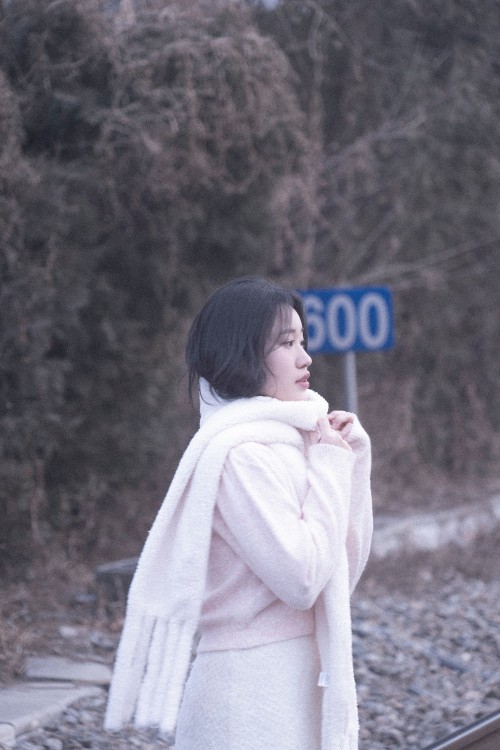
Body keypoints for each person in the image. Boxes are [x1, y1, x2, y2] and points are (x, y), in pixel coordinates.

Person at [104, 277, 373, 750]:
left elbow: (339, 573)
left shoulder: (299, 441)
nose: (305, 358)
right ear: (243, 354)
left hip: (295, 679)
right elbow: (303, 579)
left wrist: (351, 458)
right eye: (286, 343)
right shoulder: (239, 455)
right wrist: (330, 465)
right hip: (248, 695)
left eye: (302, 341)